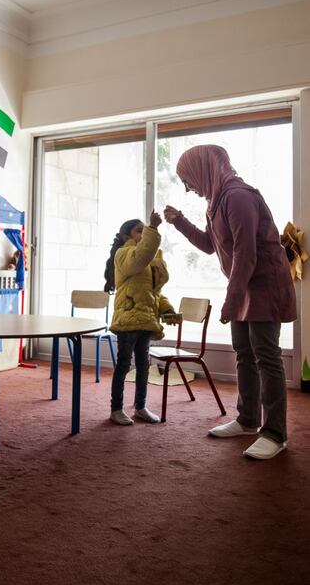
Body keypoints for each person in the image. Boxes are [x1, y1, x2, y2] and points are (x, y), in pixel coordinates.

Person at [164, 144, 296, 459]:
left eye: (188, 179)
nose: (188, 187)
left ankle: (275, 434)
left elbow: (246, 255)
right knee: (244, 354)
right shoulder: (217, 201)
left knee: (266, 356)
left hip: (265, 285)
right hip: (245, 285)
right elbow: (211, 246)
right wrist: (179, 221)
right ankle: (248, 420)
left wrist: (230, 300)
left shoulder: (238, 196)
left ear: (204, 170)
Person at [104, 211, 177, 426]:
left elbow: (154, 293)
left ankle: (140, 406)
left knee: (143, 366)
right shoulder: (124, 255)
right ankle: (116, 409)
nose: (144, 234)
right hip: (128, 318)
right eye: (140, 231)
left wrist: (167, 309)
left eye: (146, 231)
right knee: (124, 364)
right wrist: (153, 229)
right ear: (126, 236)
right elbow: (142, 255)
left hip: (145, 319)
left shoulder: (146, 260)